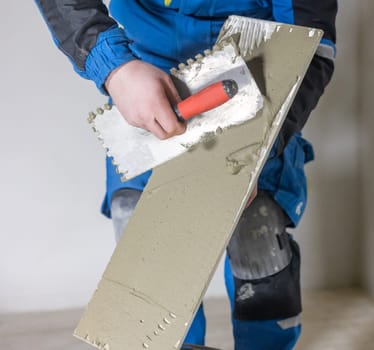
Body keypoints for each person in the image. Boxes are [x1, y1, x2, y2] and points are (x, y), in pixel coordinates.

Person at [35, 1, 337, 349]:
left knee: (258, 231)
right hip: (147, 74)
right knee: (141, 225)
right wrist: (115, 68)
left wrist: (259, 145)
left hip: (258, 79)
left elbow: (311, 41)